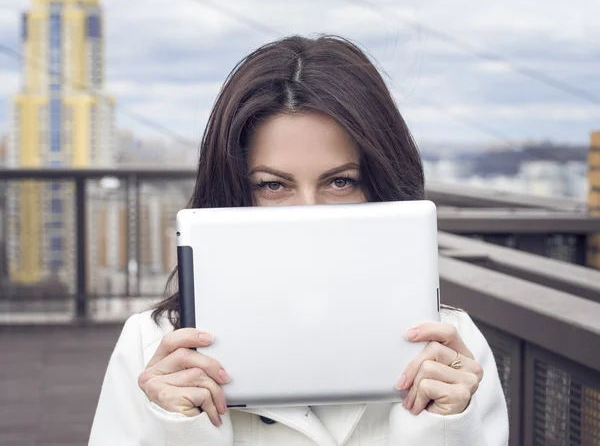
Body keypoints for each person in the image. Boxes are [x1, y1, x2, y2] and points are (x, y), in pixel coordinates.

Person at [89, 35, 509, 446]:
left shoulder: (450, 353)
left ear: (382, 186)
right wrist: (177, 430)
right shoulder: (152, 349)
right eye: (273, 185)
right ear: (233, 191)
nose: (309, 211)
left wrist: (447, 428)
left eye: (341, 181)